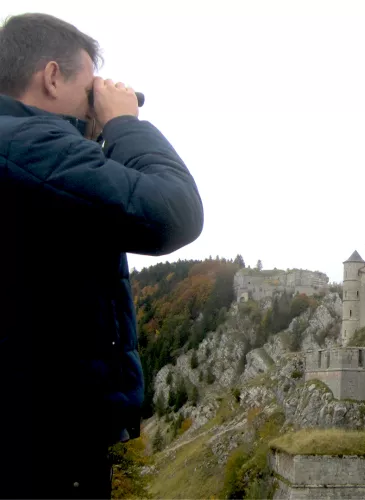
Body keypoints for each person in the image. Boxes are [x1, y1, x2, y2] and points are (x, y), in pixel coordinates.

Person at [0, 13, 204, 499]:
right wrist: (123, 124)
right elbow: (172, 211)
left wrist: (94, 132)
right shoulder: (25, 146)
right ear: (51, 77)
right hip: (35, 450)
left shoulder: (22, 157)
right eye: (89, 87)